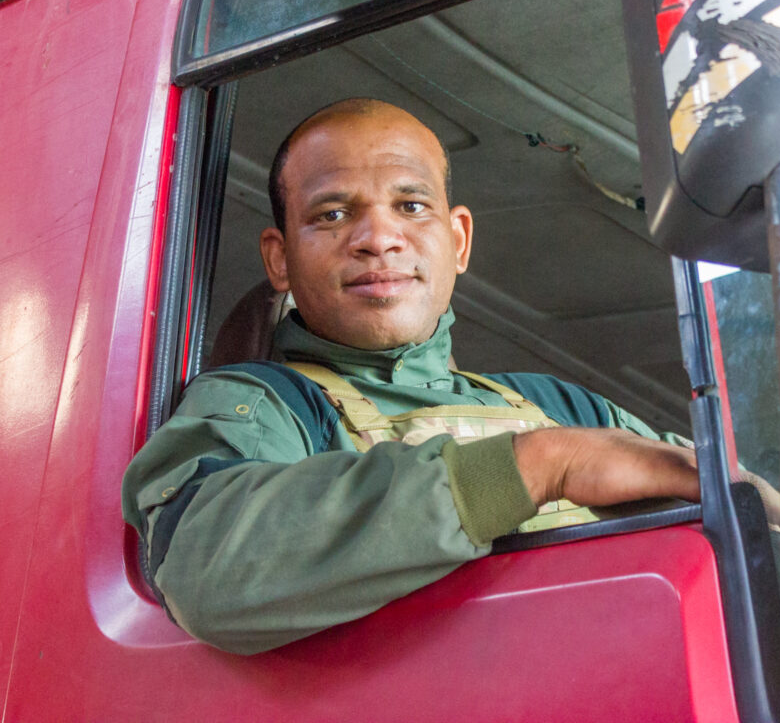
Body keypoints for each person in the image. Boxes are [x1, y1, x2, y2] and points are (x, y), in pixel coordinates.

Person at [121, 98, 700, 655]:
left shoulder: (562, 406)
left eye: (411, 206)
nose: (378, 239)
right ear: (279, 258)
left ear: (459, 239)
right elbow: (202, 565)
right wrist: (541, 465)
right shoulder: (264, 404)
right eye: (332, 214)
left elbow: (730, 512)